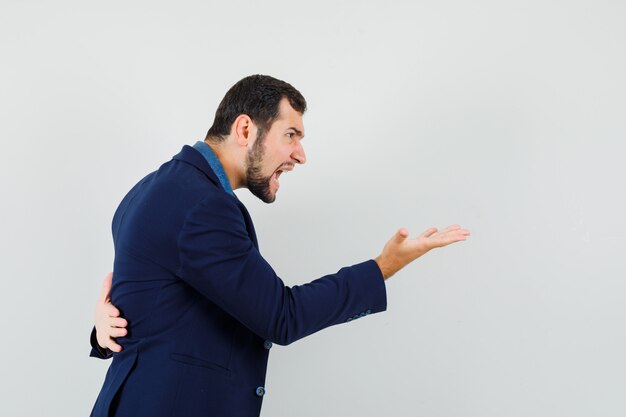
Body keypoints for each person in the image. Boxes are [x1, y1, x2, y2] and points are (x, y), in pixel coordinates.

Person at [89, 74, 470, 417]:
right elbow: (281, 317)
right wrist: (384, 266)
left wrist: (101, 330)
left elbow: (147, 301)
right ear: (244, 129)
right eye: (291, 135)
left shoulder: (147, 190)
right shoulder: (202, 205)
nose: (300, 155)